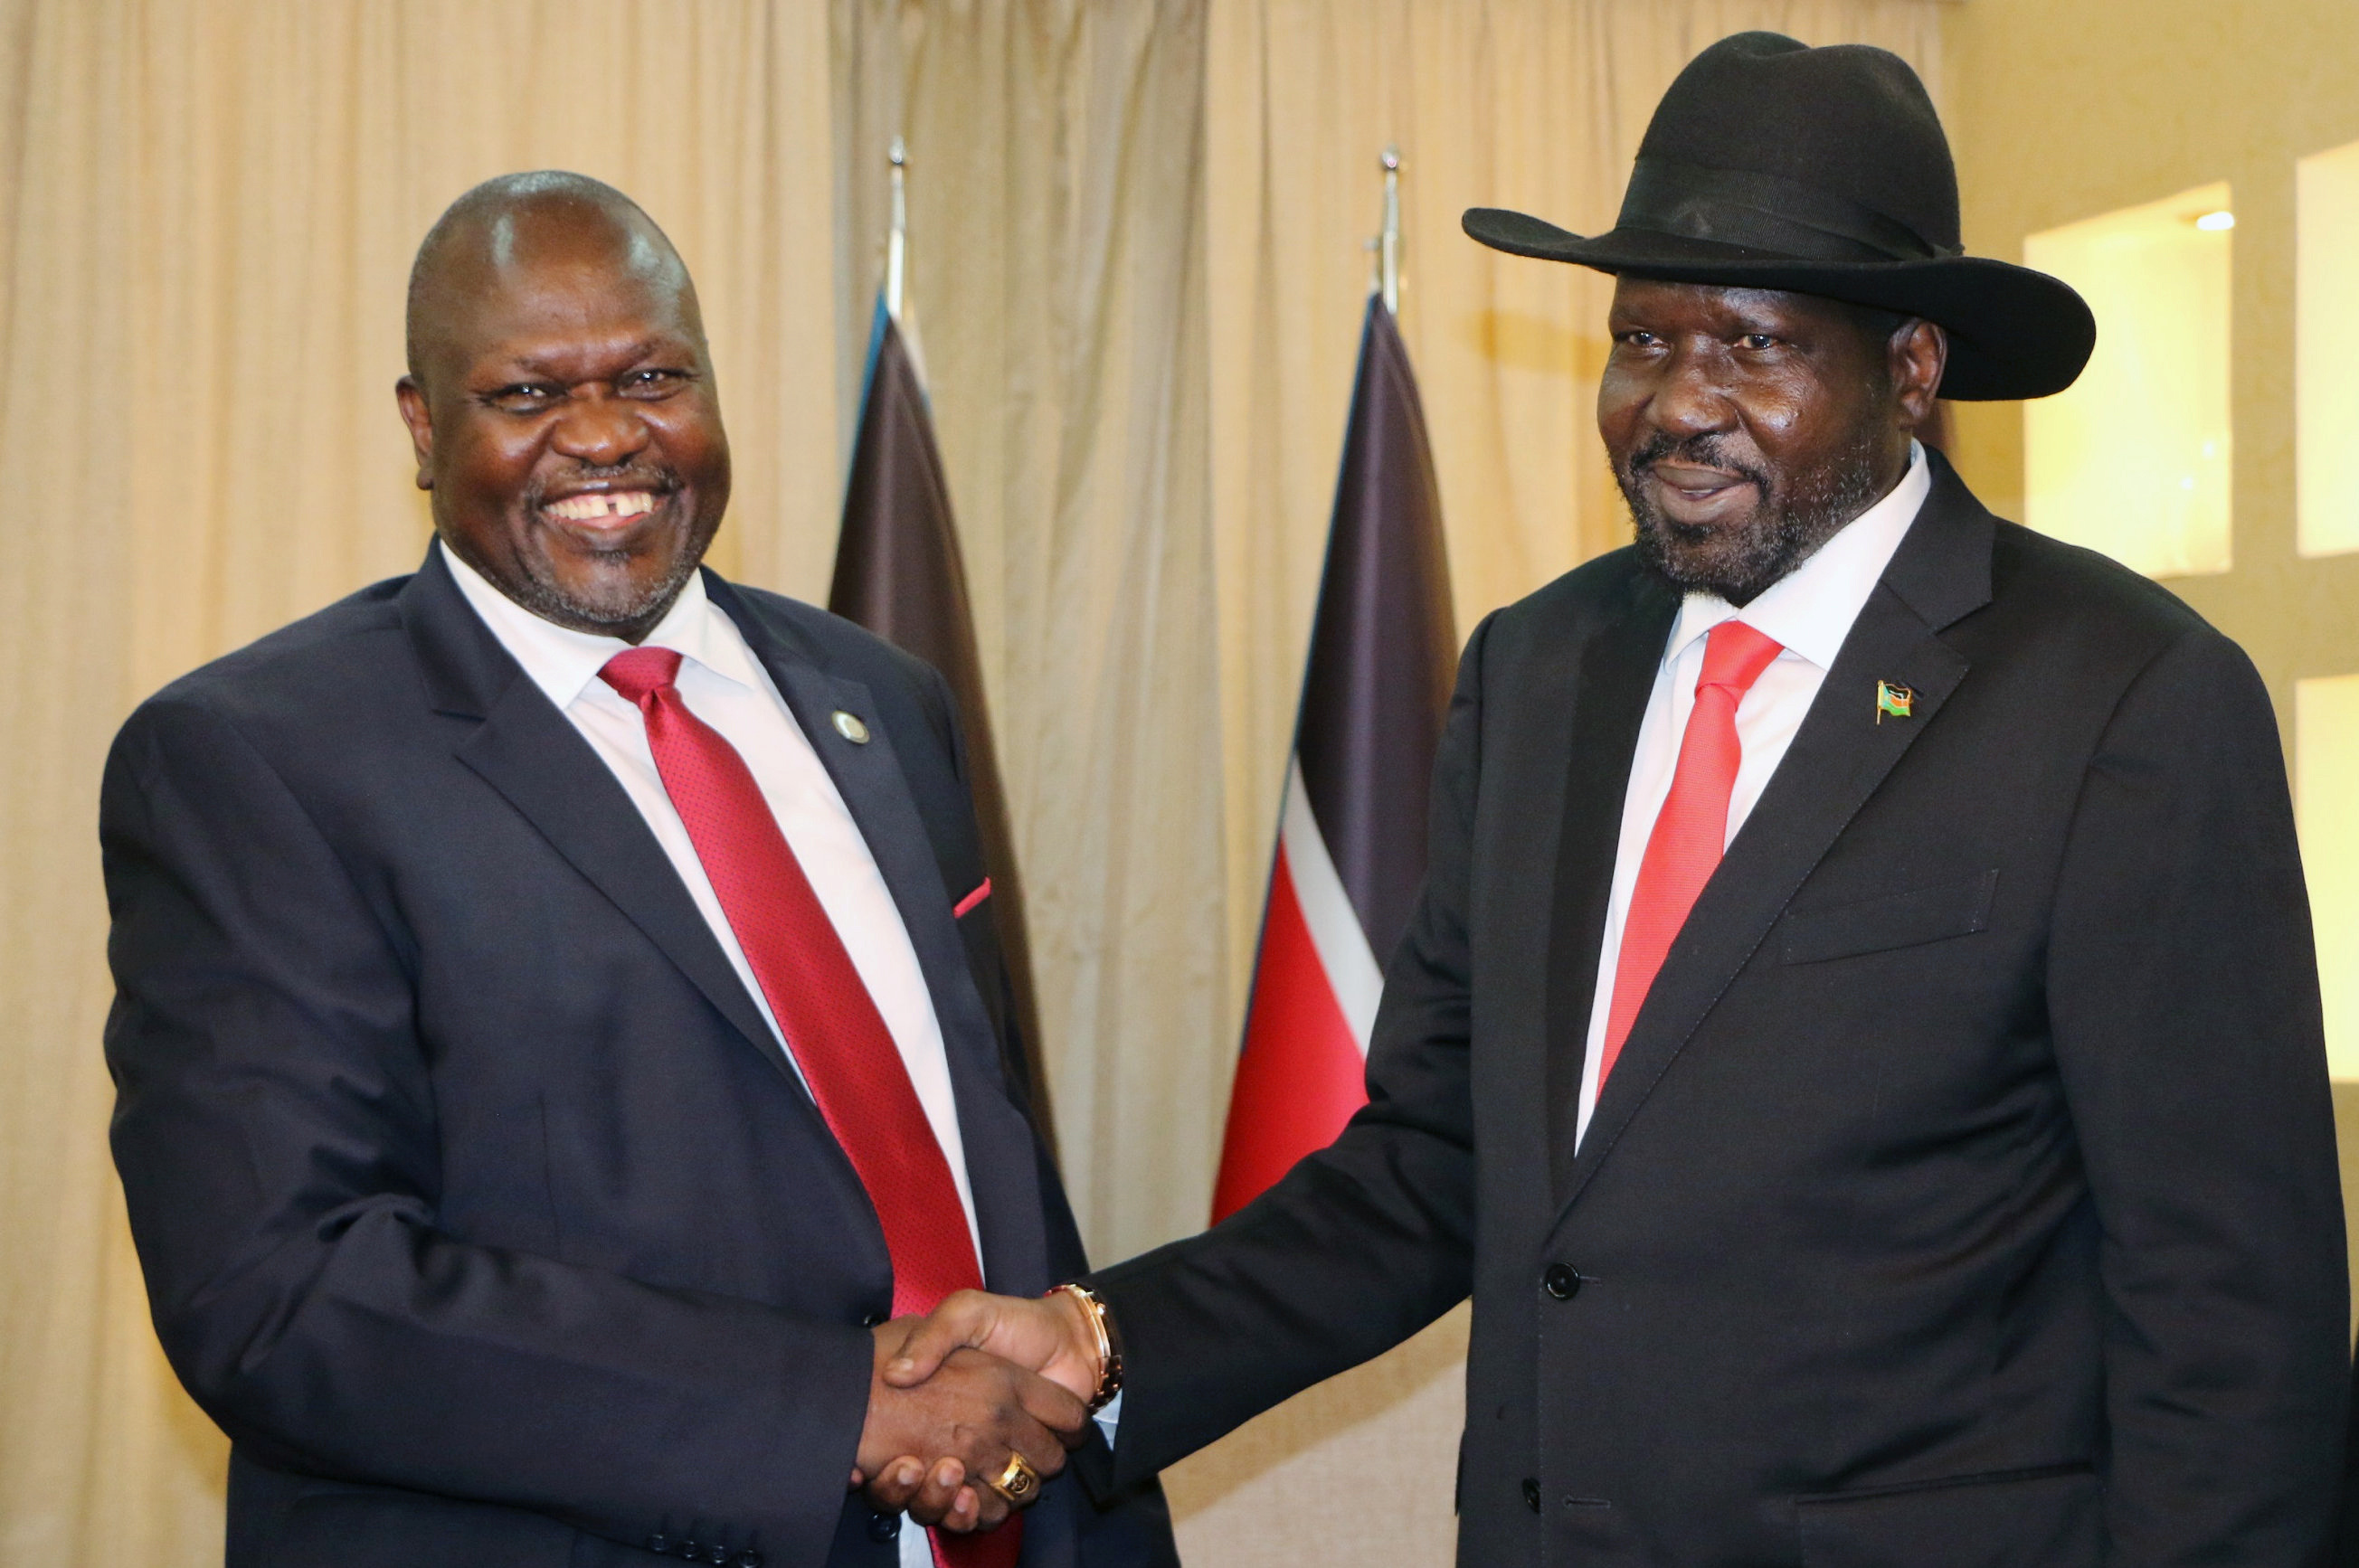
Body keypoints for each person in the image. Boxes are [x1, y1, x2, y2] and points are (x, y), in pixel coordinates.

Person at [881, 33, 2352, 1565]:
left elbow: (2234, 1320)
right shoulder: (1537, 672)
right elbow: (1436, 1159)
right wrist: (1103, 1337)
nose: (1674, 404)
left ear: (1910, 368)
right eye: (1641, 341)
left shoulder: (2121, 697)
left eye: (1749, 346)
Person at [100, 171, 1175, 1568]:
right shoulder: (258, 759)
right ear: (422, 428)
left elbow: (982, 1139)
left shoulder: (880, 695)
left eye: (654, 375)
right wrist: (828, 1409)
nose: (605, 435)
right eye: (526, 395)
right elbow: (283, 1293)